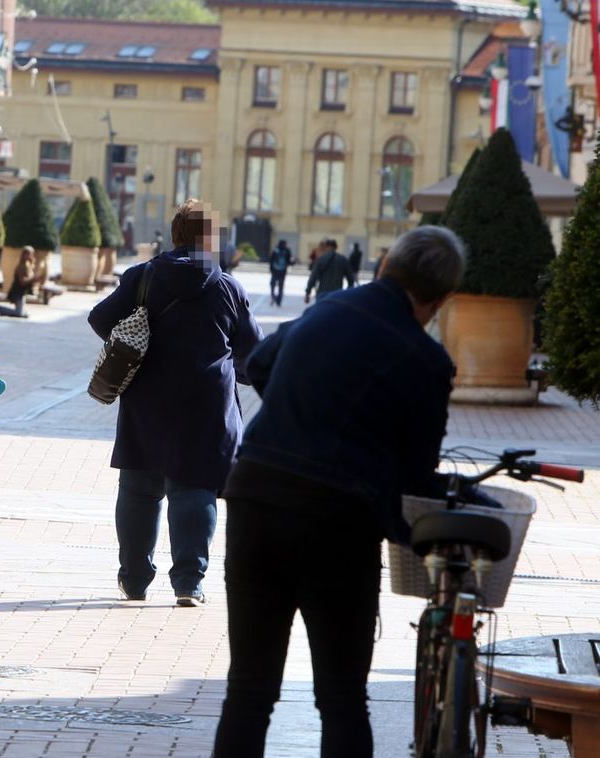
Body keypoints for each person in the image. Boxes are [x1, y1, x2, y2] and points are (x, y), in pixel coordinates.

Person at [213, 227, 466, 758]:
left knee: (249, 690)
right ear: (440, 299)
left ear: (386, 266)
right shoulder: (427, 360)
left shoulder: (326, 310)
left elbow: (258, 364)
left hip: (256, 498)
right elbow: (418, 472)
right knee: (342, 693)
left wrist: (301, 409)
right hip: (338, 521)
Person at [87, 199, 262, 606]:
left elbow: (100, 319)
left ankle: (134, 580)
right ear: (211, 238)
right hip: (206, 404)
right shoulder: (228, 286)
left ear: (175, 234)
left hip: (147, 398)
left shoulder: (142, 277)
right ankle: (188, 582)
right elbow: (251, 352)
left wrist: (137, 340)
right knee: (195, 488)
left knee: (138, 489)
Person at [304, 239, 354, 303]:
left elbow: (313, 277)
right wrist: (348, 294)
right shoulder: (343, 260)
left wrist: (308, 292)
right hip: (337, 294)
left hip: (322, 293)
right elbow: (350, 279)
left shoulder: (321, 259)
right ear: (336, 247)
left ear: (327, 247)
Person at [0, 246, 37, 318]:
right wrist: (33, 279)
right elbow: (22, 281)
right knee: (19, 313)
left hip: (22, 293)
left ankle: (1, 309)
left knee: (23, 314)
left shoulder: (28, 265)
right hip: (17, 293)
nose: (31, 256)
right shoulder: (21, 266)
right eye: (29, 254)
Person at [266, 240, 293, 306]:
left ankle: (273, 297)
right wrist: (293, 262)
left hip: (275, 270)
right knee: (280, 286)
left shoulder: (276, 250)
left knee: (273, 285)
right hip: (282, 271)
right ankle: (278, 301)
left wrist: (271, 269)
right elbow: (289, 261)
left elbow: (271, 260)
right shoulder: (287, 251)